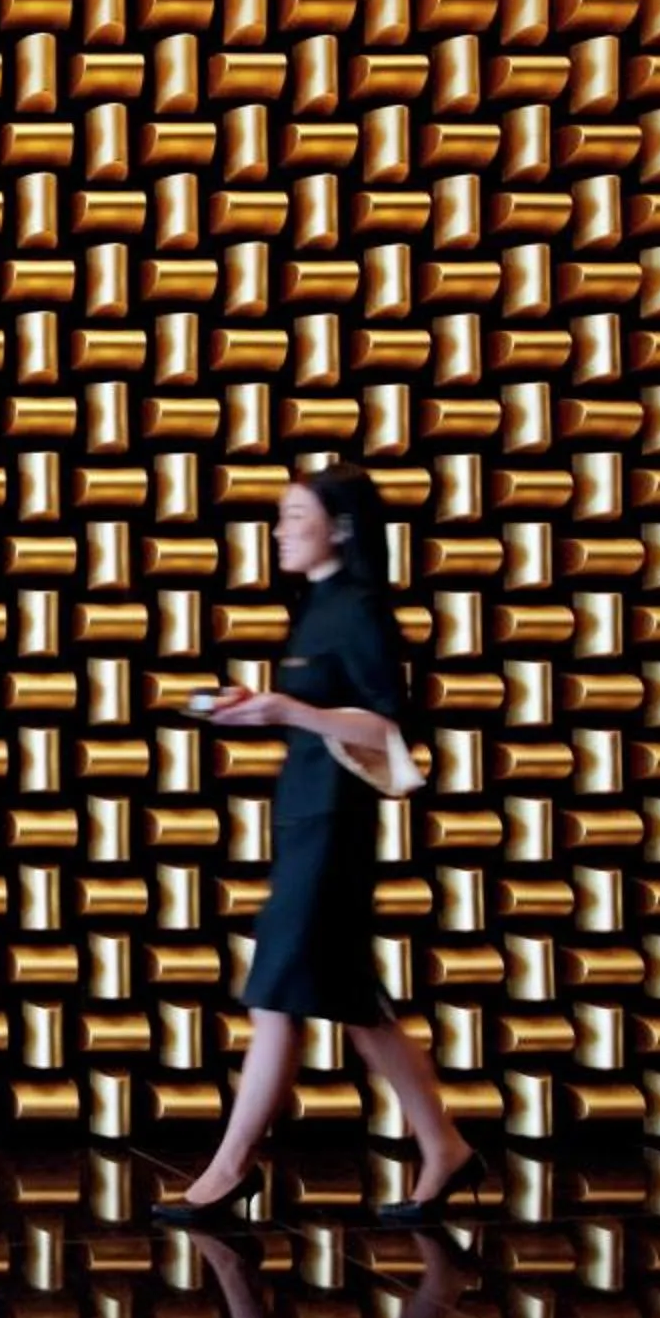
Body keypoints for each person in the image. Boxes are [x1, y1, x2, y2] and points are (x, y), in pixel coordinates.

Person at [155, 463, 486, 1225]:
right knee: (359, 1007)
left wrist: (292, 711)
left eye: (294, 517)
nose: (279, 532)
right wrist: (266, 709)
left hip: (336, 831)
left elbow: (388, 729)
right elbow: (315, 712)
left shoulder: (361, 610)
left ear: (338, 526)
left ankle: (229, 1170)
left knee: (274, 997)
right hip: (307, 821)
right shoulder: (317, 606)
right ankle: (444, 1149)